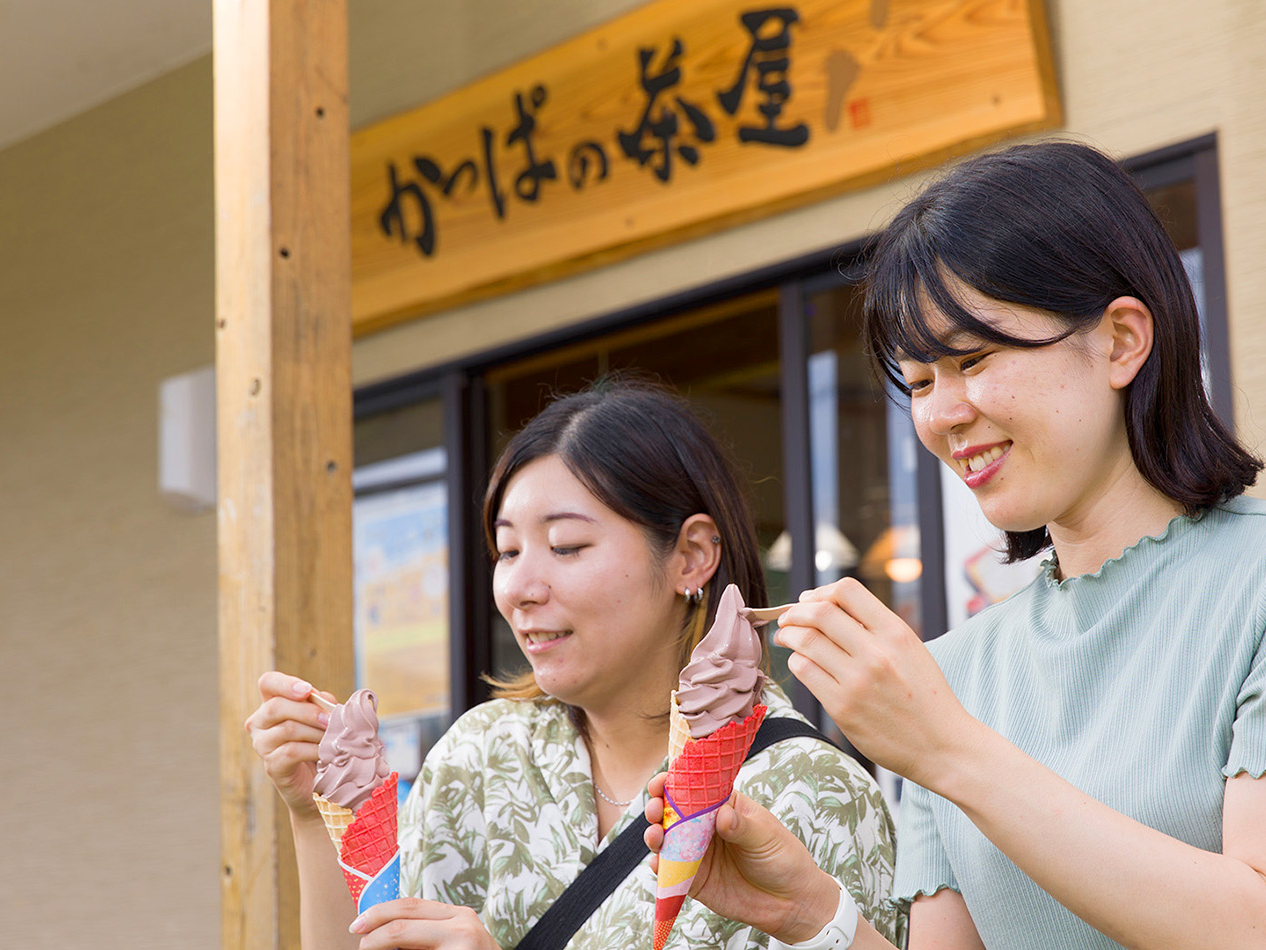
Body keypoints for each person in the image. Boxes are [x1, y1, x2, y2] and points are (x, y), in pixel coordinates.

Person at [643, 141, 1266, 949]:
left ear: (1123, 340)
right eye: (917, 382)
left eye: (973, 358)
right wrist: (807, 910)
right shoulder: (951, 675)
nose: (941, 414)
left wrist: (947, 748)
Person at [246, 379, 905, 950]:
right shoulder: (481, 756)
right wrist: (312, 812)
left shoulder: (811, 792)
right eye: (507, 552)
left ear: (691, 556)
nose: (521, 587)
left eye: (566, 546)